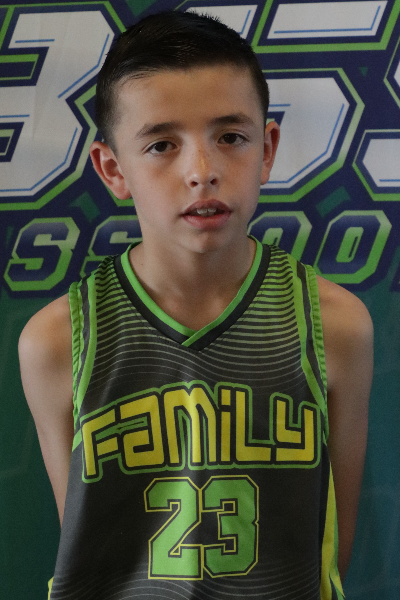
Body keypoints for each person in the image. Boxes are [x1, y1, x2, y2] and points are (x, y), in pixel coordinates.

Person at [18, 10, 373, 600]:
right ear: (113, 169)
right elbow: (84, 542)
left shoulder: (334, 326)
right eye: (162, 144)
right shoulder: (57, 340)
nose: (202, 172)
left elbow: (328, 551)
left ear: (267, 149)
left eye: (230, 137)